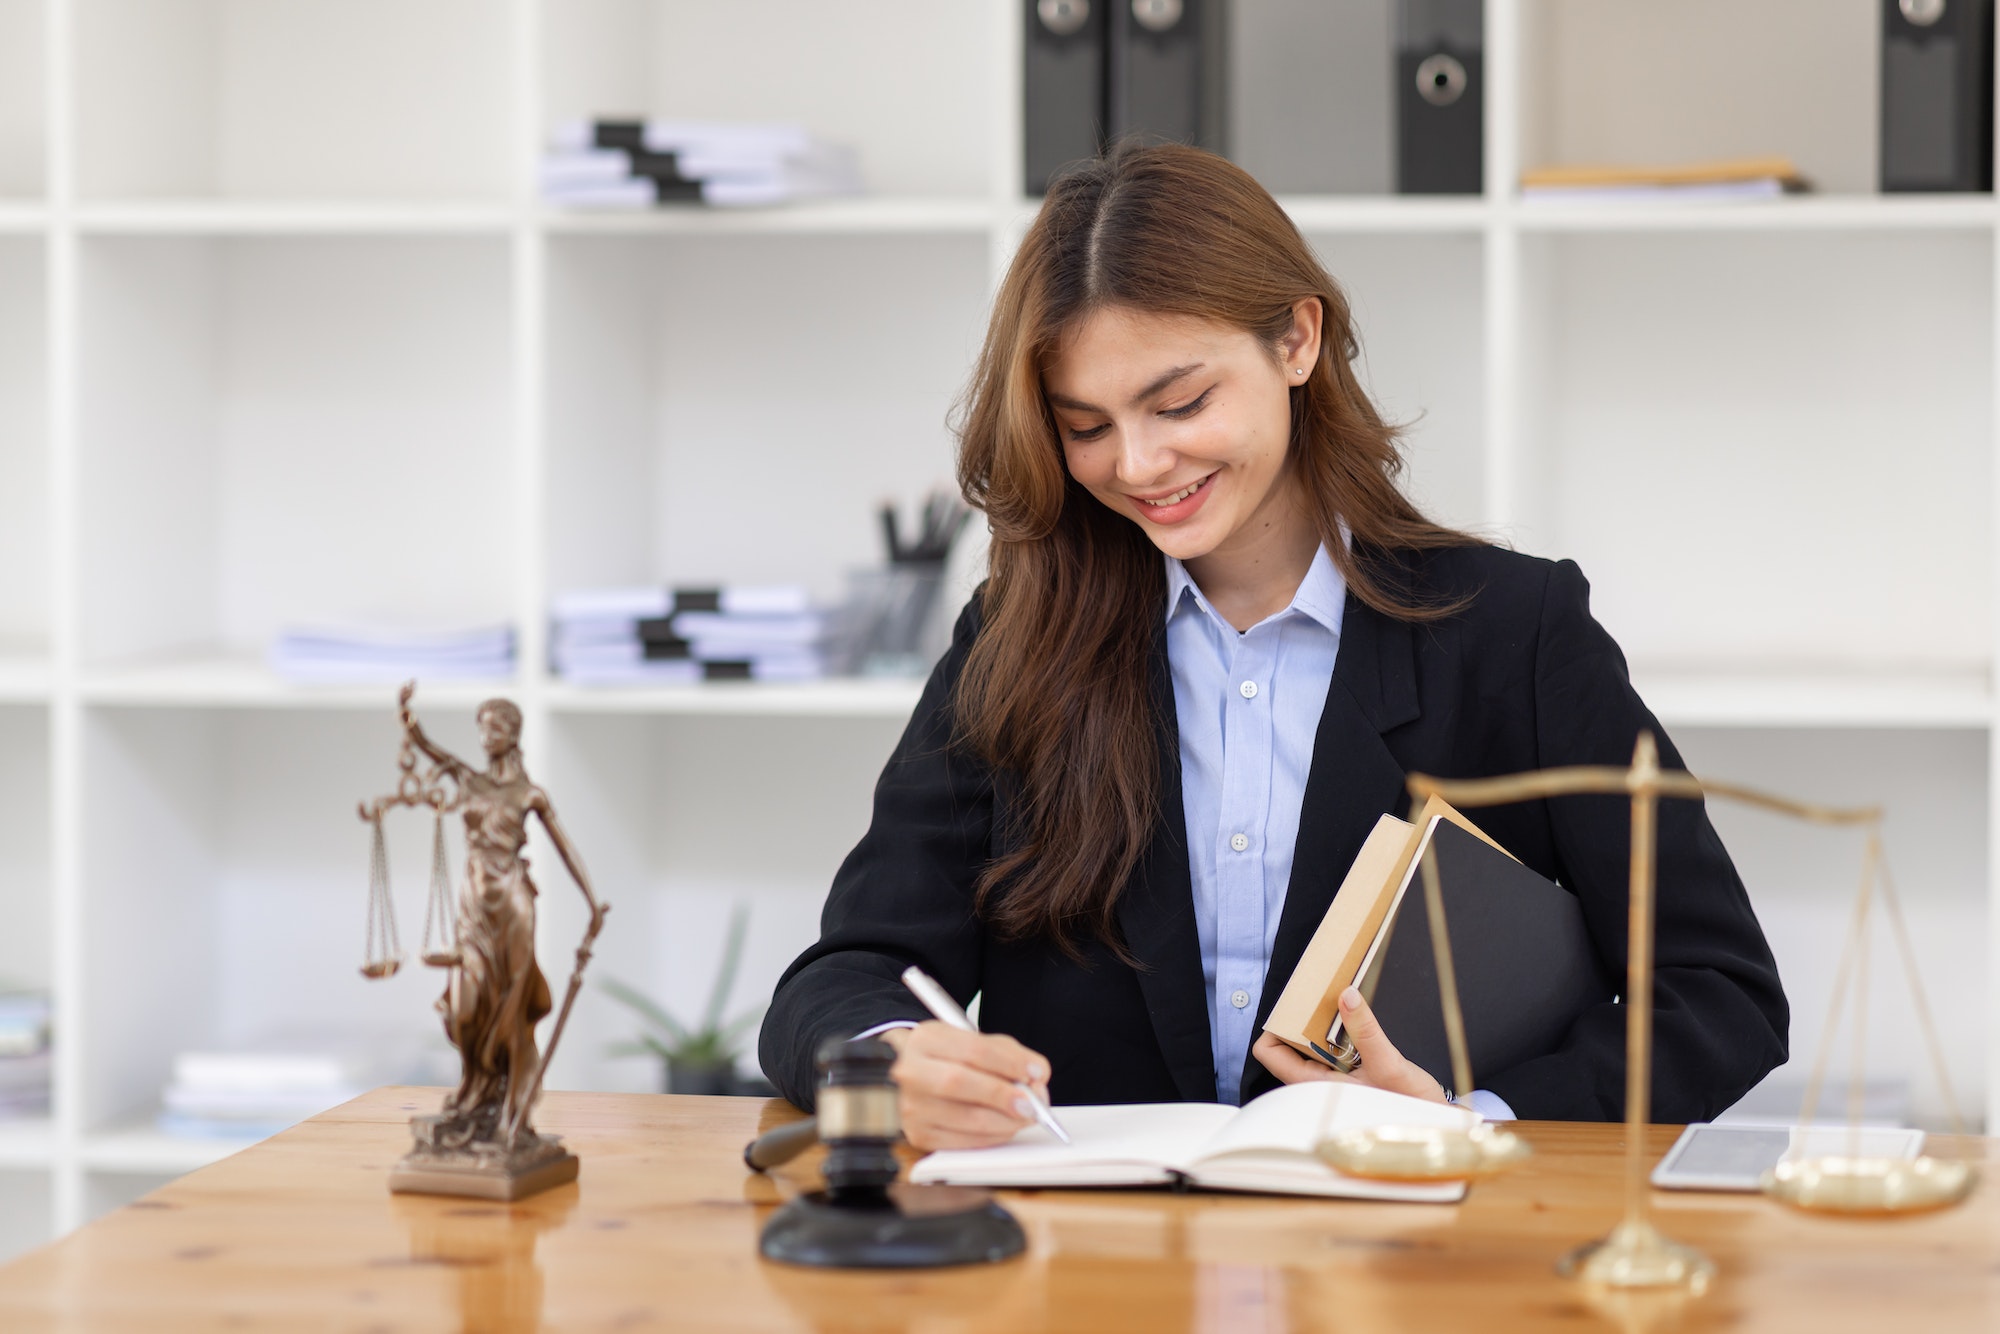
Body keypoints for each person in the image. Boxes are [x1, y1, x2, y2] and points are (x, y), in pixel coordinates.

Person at [759, 144, 1787, 1150]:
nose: (1138, 463)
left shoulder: (1511, 632)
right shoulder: (1018, 639)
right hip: (1099, 1280)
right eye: (1084, 425)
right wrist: (889, 1060)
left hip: (1405, 1275)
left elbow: (1718, 994)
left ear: (1296, 341)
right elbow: (838, 979)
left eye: (1179, 402)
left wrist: (1463, 1118)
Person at [399, 685, 607, 1144]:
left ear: (514, 734)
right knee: (465, 1005)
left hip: (513, 901)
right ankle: (475, 1090)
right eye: (482, 726)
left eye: (496, 726)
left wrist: (592, 902)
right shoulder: (468, 780)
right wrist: (410, 725)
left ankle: (511, 1105)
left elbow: (565, 848)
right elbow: (433, 753)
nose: (486, 734)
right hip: (473, 902)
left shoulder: (529, 793)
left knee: (511, 1007)